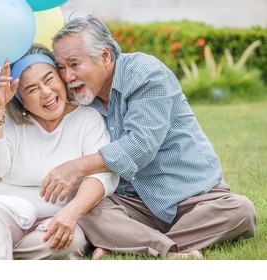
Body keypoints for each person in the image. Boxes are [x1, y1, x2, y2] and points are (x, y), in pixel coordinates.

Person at [41, 14, 257, 259]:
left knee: (240, 210)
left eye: (74, 64)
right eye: (61, 68)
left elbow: (141, 145)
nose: (67, 77)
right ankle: (167, 250)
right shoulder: (80, 98)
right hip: (129, 204)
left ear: (104, 56)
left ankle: (127, 242)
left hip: (190, 199)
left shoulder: (147, 74)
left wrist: (77, 167)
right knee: (81, 202)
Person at [0, 44, 119, 260]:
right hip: (9, 212)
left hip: (60, 217)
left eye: (49, 79)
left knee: (74, 240)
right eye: (31, 89)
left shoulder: (87, 118)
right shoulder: (10, 123)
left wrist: (71, 213)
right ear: (20, 98)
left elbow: (102, 174)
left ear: (61, 78)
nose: (46, 92)